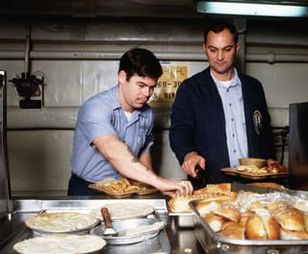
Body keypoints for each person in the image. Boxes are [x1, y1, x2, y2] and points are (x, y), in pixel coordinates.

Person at [68, 47, 193, 196]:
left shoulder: (147, 113)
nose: (147, 94)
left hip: (125, 189)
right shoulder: (95, 107)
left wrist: (152, 186)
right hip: (87, 189)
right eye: (141, 85)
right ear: (122, 77)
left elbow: (143, 154)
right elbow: (112, 150)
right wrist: (159, 181)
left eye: (152, 87)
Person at [169, 22, 277, 189]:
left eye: (227, 49)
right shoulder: (190, 89)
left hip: (255, 186)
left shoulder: (254, 87)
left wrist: (269, 159)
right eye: (213, 50)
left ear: (237, 48)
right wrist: (189, 154)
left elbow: (264, 132)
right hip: (210, 185)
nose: (220, 57)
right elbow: (179, 131)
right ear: (204, 48)